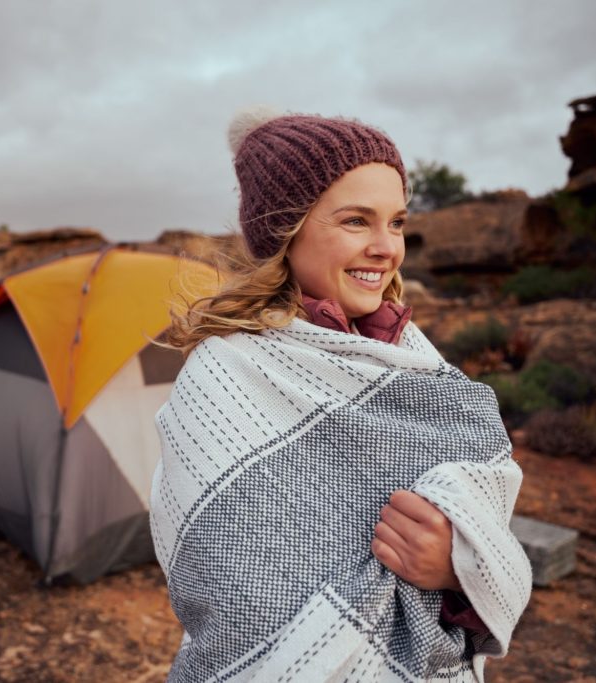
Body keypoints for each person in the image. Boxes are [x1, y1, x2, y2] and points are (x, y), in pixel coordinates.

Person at [150, 109, 531, 683]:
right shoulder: (225, 374)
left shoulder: (412, 357)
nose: (386, 247)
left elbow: (485, 519)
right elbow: (232, 589)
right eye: (356, 221)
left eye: (397, 223)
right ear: (286, 230)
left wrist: (458, 566)